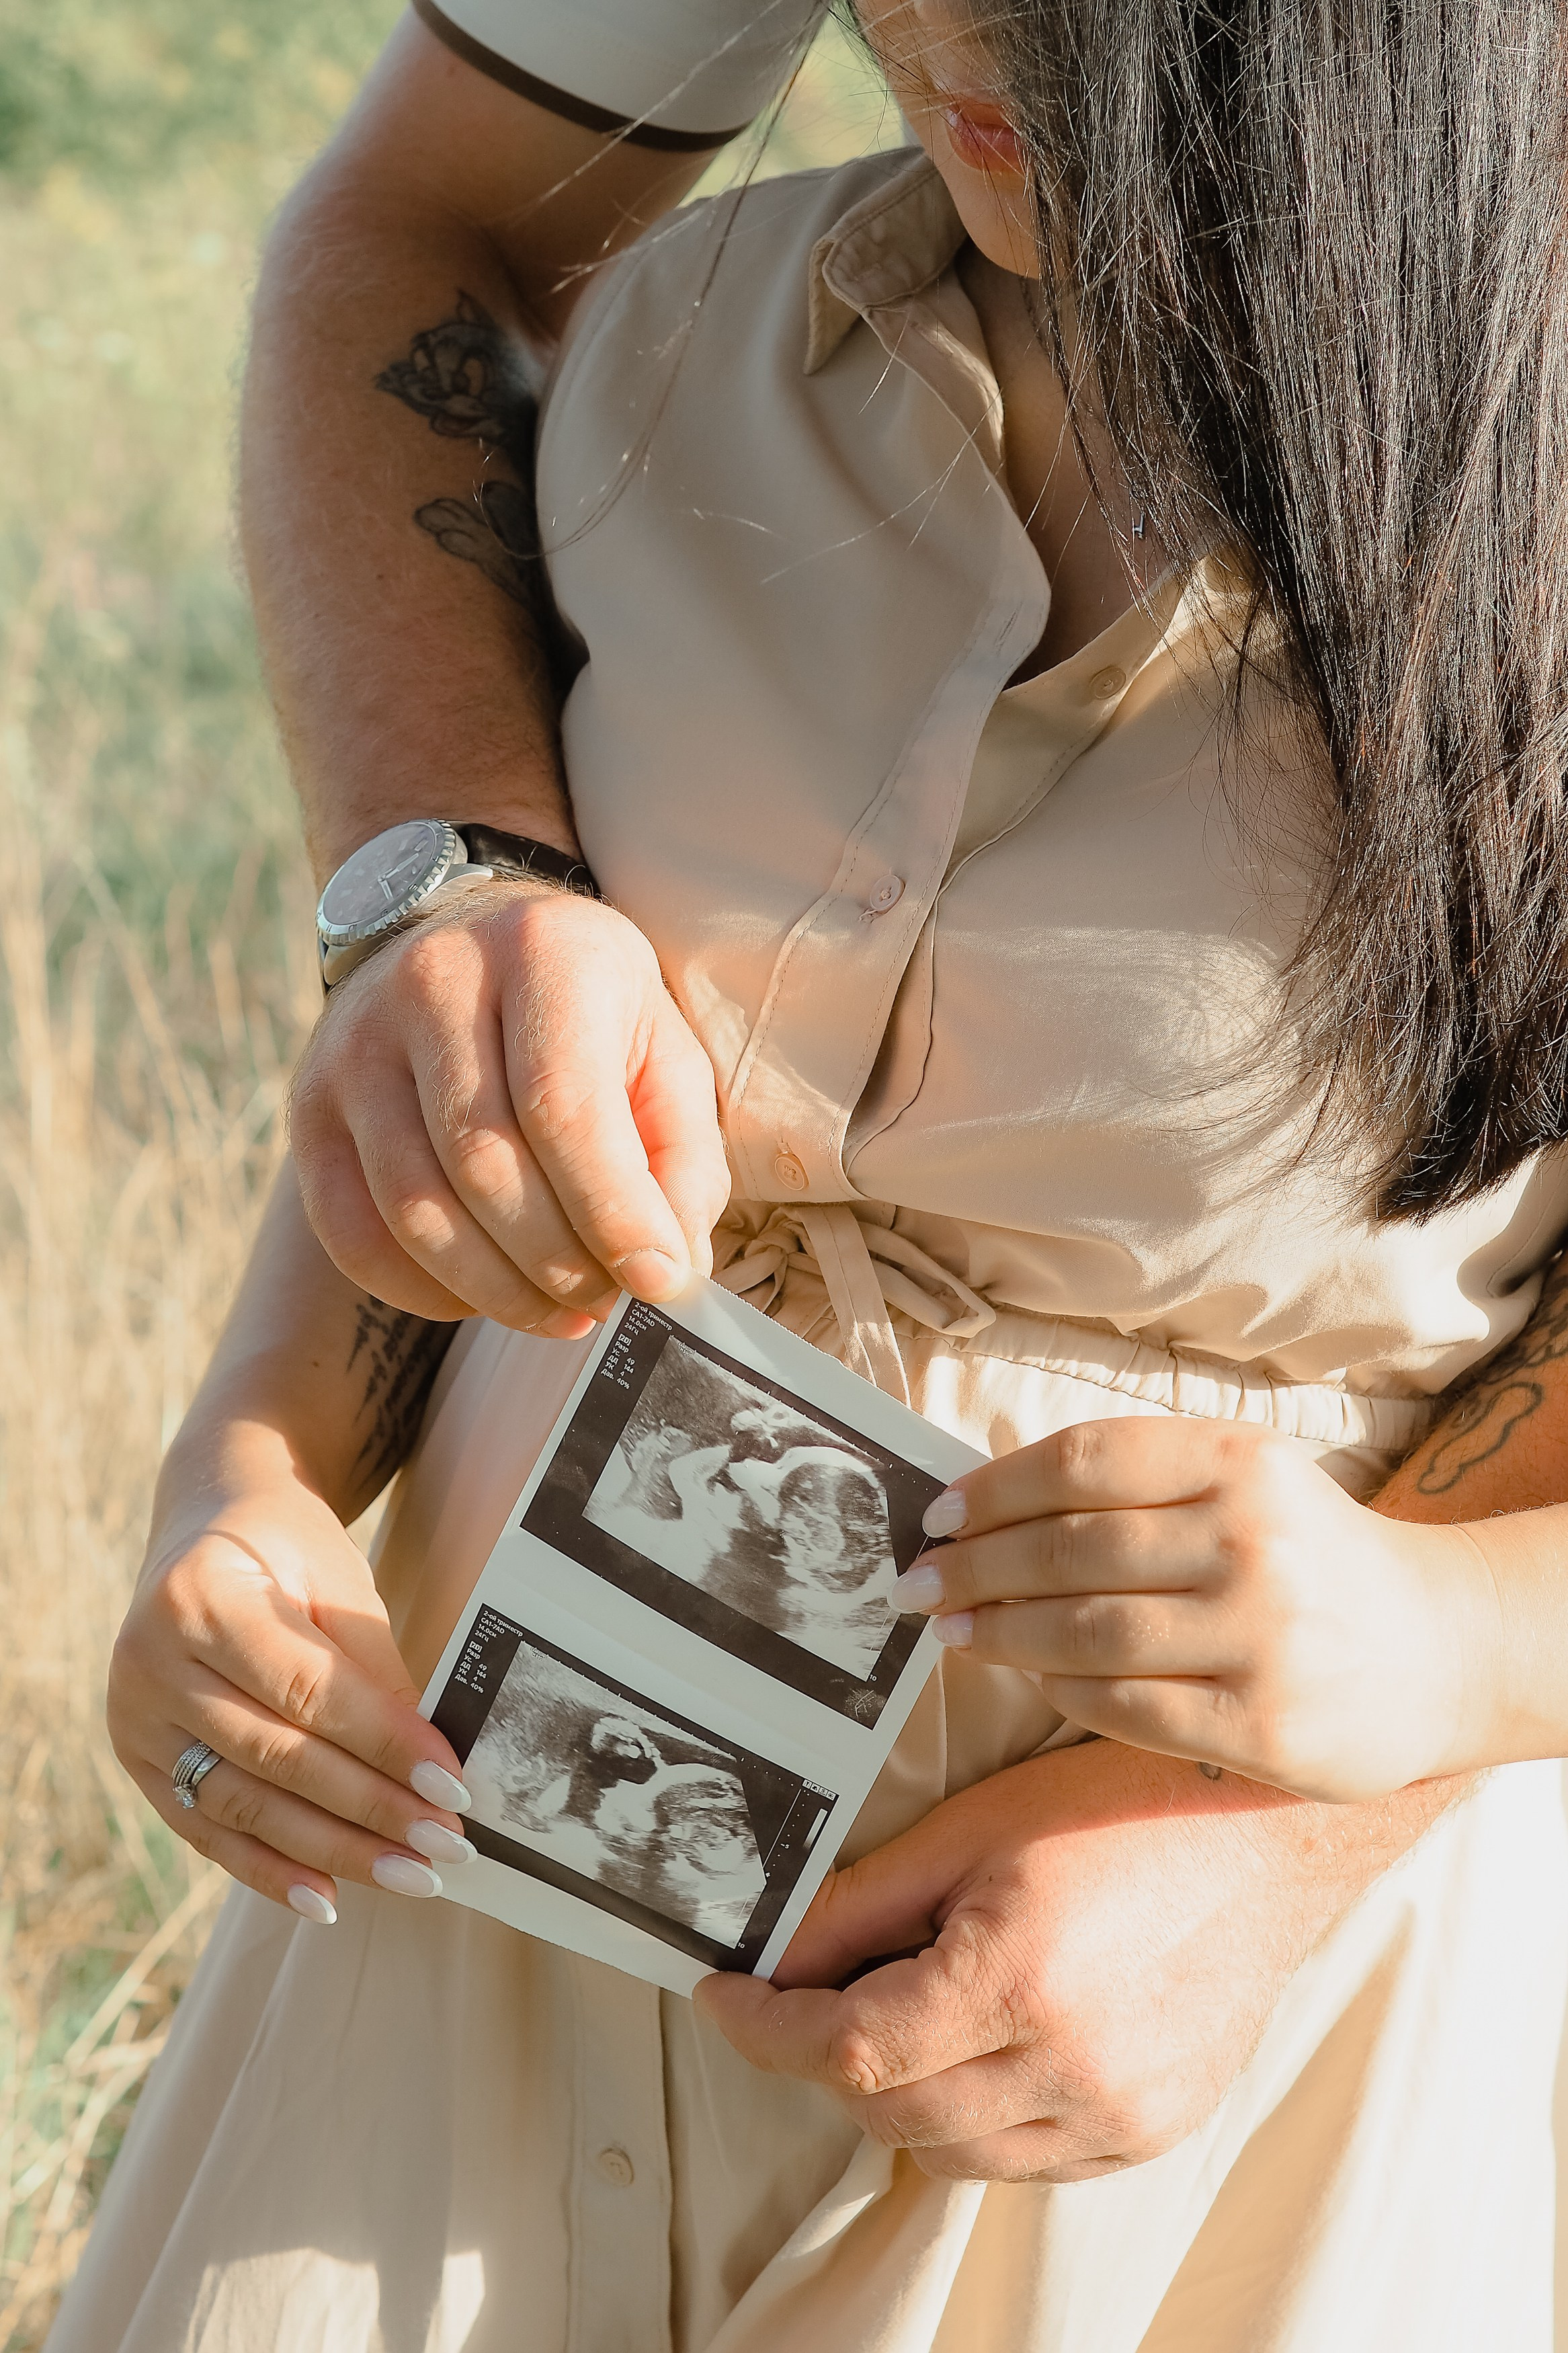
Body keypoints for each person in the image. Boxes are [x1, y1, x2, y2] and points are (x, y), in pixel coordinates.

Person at [45, 3, 1568, 2350]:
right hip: (475, 1970)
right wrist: (240, 1479)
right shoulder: (688, 335)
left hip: (1179, 2112)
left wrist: (1416, 1691)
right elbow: (503, 1097)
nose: (925, 25)